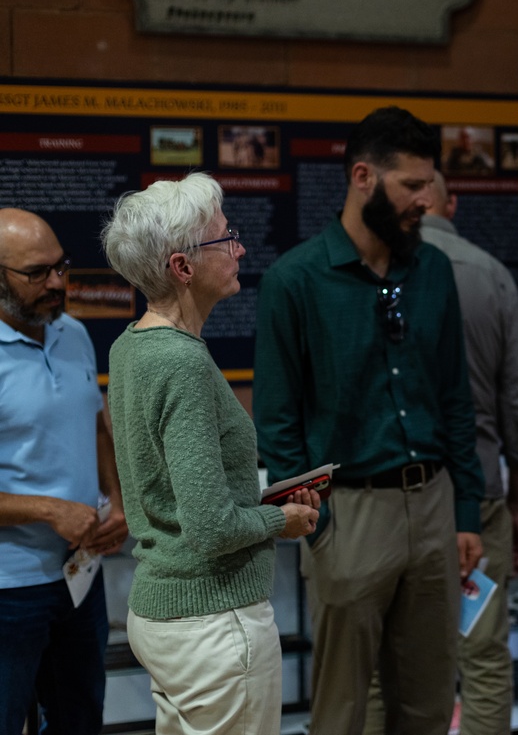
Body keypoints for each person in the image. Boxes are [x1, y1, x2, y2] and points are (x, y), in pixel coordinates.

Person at [254, 106, 485, 735]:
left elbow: (456, 400)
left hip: (433, 506)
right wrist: (317, 524)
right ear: (363, 177)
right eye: (411, 185)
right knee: (342, 711)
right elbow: (276, 423)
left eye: (429, 184)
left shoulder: (432, 270)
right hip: (348, 511)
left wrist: (466, 514)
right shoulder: (294, 280)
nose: (425, 199)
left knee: (430, 705)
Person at [100, 171, 320, 735]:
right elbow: (212, 527)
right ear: (183, 266)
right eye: (226, 238)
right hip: (213, 620)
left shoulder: (130, 346)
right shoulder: (181, 362)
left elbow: (176, 494)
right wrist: (283, 517)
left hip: (165, 615)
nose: (241, 247)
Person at [366, 171, 518, 735]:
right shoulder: (491, 274)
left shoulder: (371, 267)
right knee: (482, 654)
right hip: (477, 490)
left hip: (386, 495)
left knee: (377, 660)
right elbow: (517, 402)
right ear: (450, 203)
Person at [0, 208, 129, 735]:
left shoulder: (71, 333)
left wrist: (116, 501)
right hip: (10, 589)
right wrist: (50, 510)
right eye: (37, 273)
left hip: (80, 577)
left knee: (80, 720)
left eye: (61, 267)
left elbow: (95, 424)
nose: (56, 283)